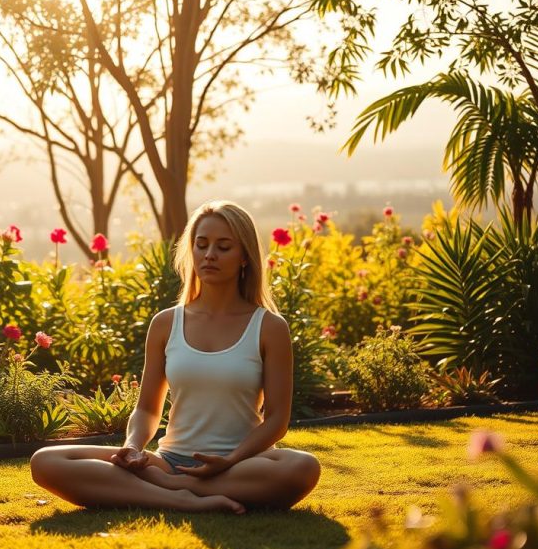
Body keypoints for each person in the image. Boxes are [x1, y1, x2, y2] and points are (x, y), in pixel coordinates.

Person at [30, 200, 321, 513]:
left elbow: (277, 420)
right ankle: (178, 498)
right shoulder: (166, 323)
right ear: (191, 251)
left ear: (245, 258)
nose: (209, 255)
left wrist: (230, 460)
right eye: (202, 244)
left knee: (302, 466)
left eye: (223, 247)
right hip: (168, 463)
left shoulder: (269, 327)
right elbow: (146, 409)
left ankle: (185, 489)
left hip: (242, 465)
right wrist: (132, 447)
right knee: (46, 461)